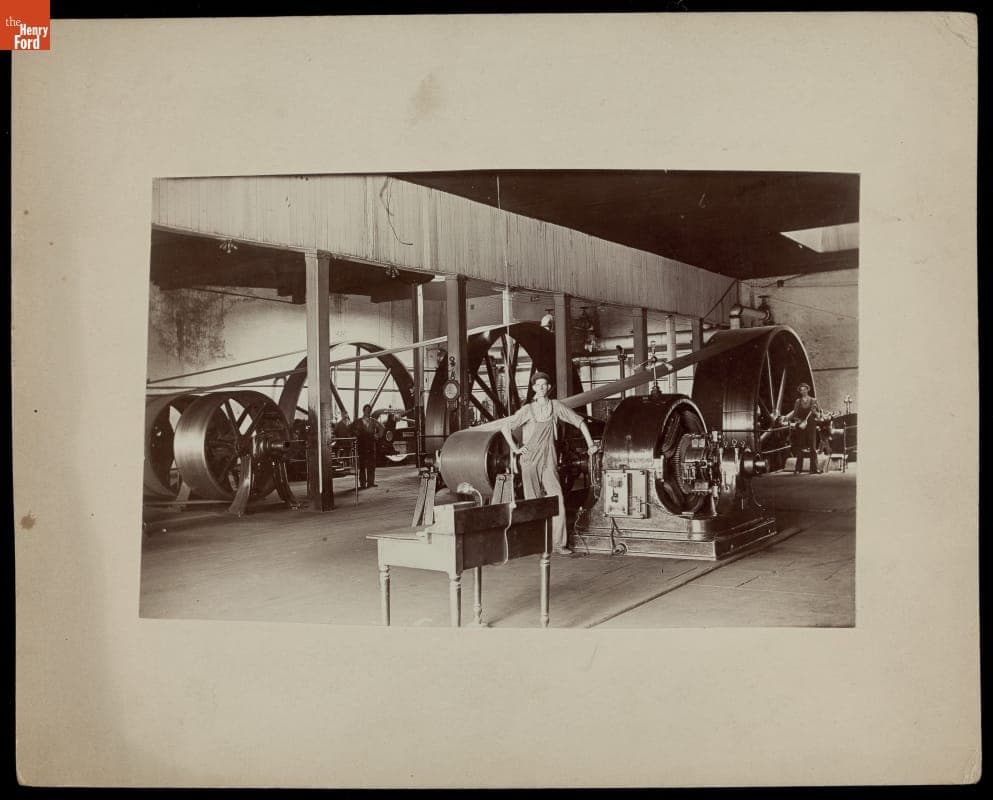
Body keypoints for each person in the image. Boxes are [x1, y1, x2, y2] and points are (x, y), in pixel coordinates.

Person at [500, 372, 599, 555]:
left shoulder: (555, 406)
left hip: (549, 459)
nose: (542, 388)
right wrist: (515, 449)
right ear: (533, 388)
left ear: (549, 387)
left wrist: (591, 444)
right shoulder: (527, 410)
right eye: (539, 385)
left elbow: (580, 422)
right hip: (529, 460)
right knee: (533, 502)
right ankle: (535, 543)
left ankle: (559, 544)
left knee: (557, 498)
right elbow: (505, 428)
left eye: (545, 385)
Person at [780, 382, 822, 474]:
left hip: (811, 425)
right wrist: (800, 422)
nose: (803, 391)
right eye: (801, 390)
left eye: (804, 389)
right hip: (801, 426)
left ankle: (814, 469)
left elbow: (819, 415)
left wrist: (814, 411)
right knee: (800, 447)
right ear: (800, 391)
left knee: (813, 447)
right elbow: (795, 416)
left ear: (808, 390)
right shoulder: (798, 401)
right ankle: (798, 469)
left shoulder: (814, 400)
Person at [351, 405, 385, 489]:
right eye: (366, 410)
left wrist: (378, 435)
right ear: (363, 411)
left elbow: (382, 428)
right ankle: (362, 483)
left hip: (371, 445)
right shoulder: (358, 421)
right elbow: (350, 428)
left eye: (369, 410)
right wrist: (355, 435)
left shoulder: (374, 421)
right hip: (361, 445)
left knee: (371, 464)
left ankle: (370, 482)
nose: (367, 412)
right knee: (362, 465)